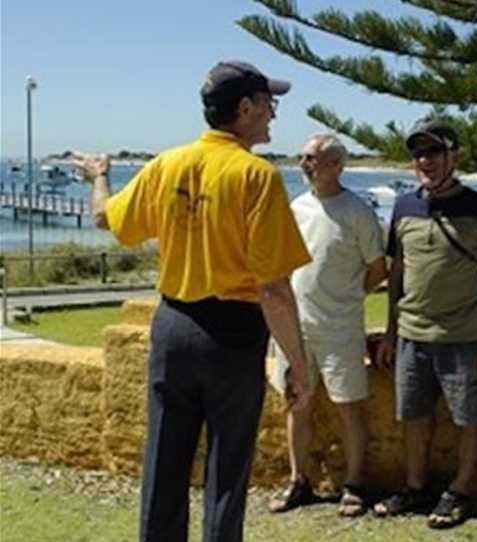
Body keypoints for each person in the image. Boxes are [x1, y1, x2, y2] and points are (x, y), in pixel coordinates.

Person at [72, 60, 314, 542]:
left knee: (164, 459)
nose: (273, 115)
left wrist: (100, 175)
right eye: (269, 104)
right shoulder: (256, 176)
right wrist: (298, 365)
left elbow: (106, 219)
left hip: (174, 326)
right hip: (234, 333)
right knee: (227, 468)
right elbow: (274, 289)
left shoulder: (168, 164)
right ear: (244, 109)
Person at [372, 120, 477, 529]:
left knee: (470, 417)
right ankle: (416, 487)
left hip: (464, 336)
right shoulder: (404, 206)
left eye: (434, 152)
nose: (425, 161)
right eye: (418, 153)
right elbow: (396, 274)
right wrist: (391, 330)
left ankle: (461, 490)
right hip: (412, 336)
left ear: (454, 157)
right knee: (413, 417)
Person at [267, 133, 388, 517]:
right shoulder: (296, 207)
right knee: (296, 405)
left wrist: (347, 297)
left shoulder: (357, 212)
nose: (305, 164)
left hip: (339, 328)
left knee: (349, 407)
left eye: (313, 158)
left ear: (337, 164)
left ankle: (354, 484)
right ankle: (297, 481)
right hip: (294, 327)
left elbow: (377, 270)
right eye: (302, 157)